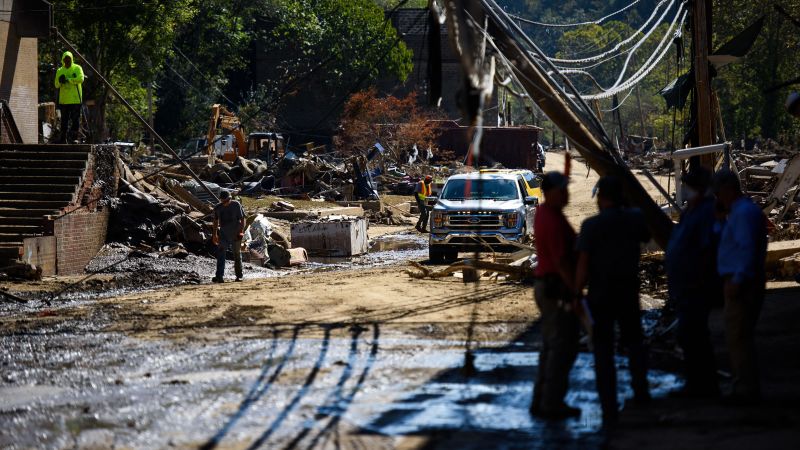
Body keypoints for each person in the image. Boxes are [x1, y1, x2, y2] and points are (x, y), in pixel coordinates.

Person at [575, 176, 650, 427]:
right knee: (635, 343)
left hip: (600, 295)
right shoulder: (635, 218)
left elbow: (583, 265)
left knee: (603, 350)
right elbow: (645, 234)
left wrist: (576, 294)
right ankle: (641, 394)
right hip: (628, 290)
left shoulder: (591, 226)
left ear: (601, 197)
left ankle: (608, 403)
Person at [665, 167, 722, 398]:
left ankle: (704, 386)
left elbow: (708, 250)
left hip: (696, 286)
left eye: (689, 186)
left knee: (694, 335)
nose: (685, 189)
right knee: (689, 335)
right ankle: (696, 383)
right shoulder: (692, 210)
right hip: (685, 286)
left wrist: (699, 280)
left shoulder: (707, 212)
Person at [713, 170, 768, 404]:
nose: (716, 196)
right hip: (743, 279)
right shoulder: (739, 212)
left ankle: (745, 390)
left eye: (718, 191)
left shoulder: (743, 214)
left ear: (728, 189)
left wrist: (737, 279)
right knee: (738, 336)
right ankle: (743, 384)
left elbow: (747, 250)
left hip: (743, 283)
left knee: (738, 336)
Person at [531, 171, 581, 419]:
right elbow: (561, 260)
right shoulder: (550, 218)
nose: (566, 194)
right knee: (562, 348)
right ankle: (551, 402)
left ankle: (541, 399)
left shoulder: (546, 213)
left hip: (549, 285)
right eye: (562, 190)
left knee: (551, 345)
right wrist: (575, 291)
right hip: (555, 287)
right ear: (550, 192)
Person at [212, 190, 245, 283]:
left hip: (236, 233)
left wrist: (241, 231)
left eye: (227, 201)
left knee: (237, 254)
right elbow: (215, 221)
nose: (225, 203)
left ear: (230, 199)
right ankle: (219, 276)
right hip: (223, 235)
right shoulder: (218, 208)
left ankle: (239, 275)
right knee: (221, 254)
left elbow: (242, 218)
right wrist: (214, 234)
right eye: (223, 201)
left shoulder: (236, 205)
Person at [54, 51, 85, 144]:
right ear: (63, 60)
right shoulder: (60, 70)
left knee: (75, 119)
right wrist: (60, 81)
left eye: (69, 59)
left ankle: (75, 138)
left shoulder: (77, 68)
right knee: (64, 120)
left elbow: (81, 79)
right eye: (65, 59)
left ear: (71, 59)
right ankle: (63, 138)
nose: (67, 61)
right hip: (64, 100)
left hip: (75, 99)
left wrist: (69, 80)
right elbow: (56, 85)